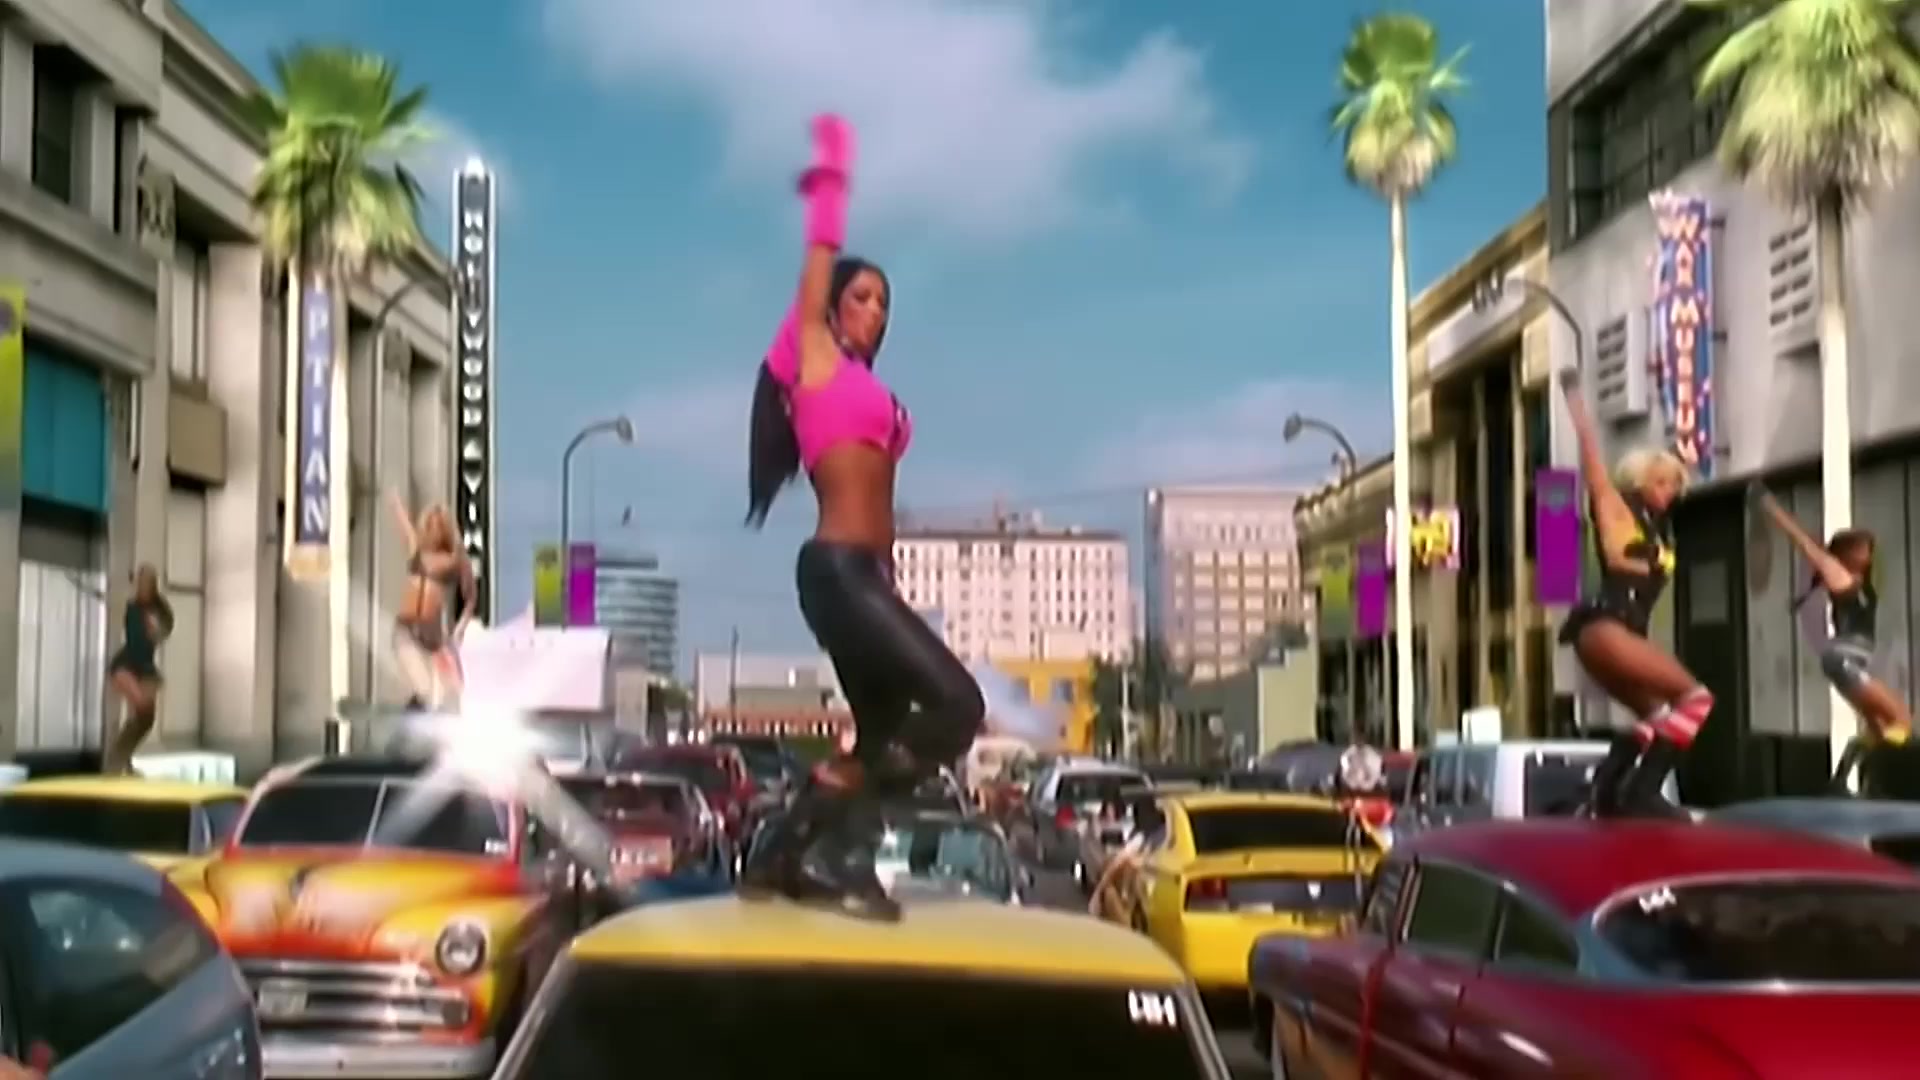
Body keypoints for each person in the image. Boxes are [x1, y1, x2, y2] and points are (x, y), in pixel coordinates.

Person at [738, 114, 985, 918]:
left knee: (882, 735)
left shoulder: (875, 392)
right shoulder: (813, 358)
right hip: (837, 573)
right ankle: (828, 850)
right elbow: (817, 257)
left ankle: (789, 852)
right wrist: (832, 181)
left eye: (885, 303)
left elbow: (885, 499)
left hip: (865, 577)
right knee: (959, 706)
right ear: (835, 309)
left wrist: (890, 580)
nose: (876, 311)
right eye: (863, 297)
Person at [1556, 365, 1701, 818]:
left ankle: (1608, 788)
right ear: (1640, 480)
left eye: (1674, 485)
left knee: (1658, 716)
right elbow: (1593, 462)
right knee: (1696, 699)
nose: (1669, 492)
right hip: (1608, 625)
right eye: (1661, 482)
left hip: (1614, 633)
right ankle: (1642, 790)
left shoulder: (1658, 528)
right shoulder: (1618, 510)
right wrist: (1575, 400)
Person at [1750, 485, 1913, 786]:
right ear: (1847, 554)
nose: (1869, 553)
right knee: (1902, 719)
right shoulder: (1839, 575)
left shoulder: (1859, 581)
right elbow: (1803, 542)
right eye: (1863, 549)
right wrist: (1769, 505)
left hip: (1846, 660)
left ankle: (1843, 782)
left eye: (1869, 549)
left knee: (1876, 727)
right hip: (1844, 657)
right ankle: (1859, 780)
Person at [390, 492, 476, 711]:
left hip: (434, 637)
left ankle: (426, 725)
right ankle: (407, 726)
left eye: (439, 524)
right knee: (426, 690)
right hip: (406, 631)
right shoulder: (417, 550)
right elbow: (405, 524)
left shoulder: (456, 559)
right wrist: (395, 499)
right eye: (430, 524)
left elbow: (470, 597)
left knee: (452, 690)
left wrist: (461, 628)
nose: (434, 529)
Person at [103, 564, 173, 774]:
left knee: (146, 719)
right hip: (127, 664)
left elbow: (164, 629)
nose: (142, 587)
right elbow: (137, 641)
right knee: (141, 709)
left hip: (144, 665)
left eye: (147, 583)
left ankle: (124, 761)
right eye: (140, 582)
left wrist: (156, 629)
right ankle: (115, 762)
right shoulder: (133, 609)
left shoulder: (158, 609)